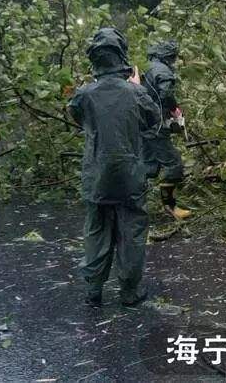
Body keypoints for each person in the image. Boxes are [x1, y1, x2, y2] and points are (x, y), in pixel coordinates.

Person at [67, 27, 161, 308]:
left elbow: (78, 117)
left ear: (94, 59)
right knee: (131, 231)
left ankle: (93, 290)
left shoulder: (84, 94)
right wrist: (135, 86)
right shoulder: (136, 93)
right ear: (121, 56)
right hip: (130, 174)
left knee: (96, 230)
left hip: (97, 175)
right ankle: (129, 292)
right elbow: (153, 122)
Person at [141, 40, 192, 220]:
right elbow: (166, 93)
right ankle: (170, 206)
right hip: (156, 126)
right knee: (174, 164)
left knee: (148, 167)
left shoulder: (145, 68)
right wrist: (174, 109)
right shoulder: (162, 70)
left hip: (143, 125)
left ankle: (131, 207)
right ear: (168, 56)